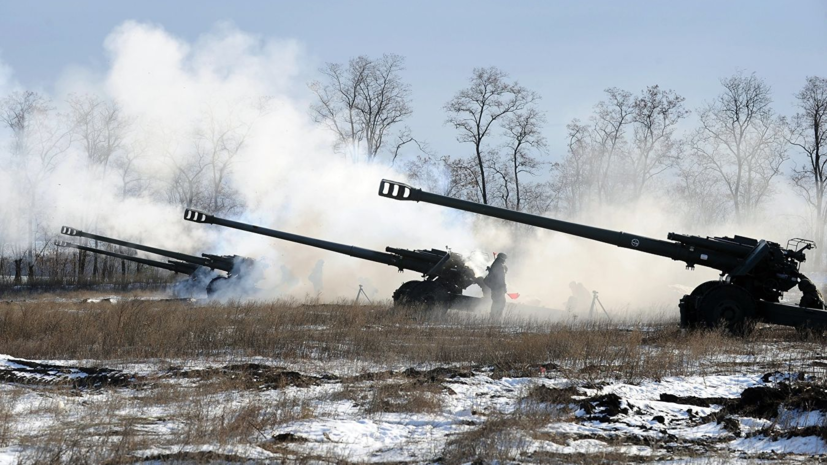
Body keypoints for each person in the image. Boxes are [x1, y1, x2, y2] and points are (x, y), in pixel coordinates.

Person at [484, 253, 508, 320]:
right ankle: (495, 318)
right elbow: (501, 278)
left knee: (497, 302)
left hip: (496, 288)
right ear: (502, 258)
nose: (505, 260)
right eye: (504, 259)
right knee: (500, 302)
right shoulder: (499, 266)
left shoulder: (496, 264)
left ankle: (494, 317)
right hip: (498, 288)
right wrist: (504, 287)